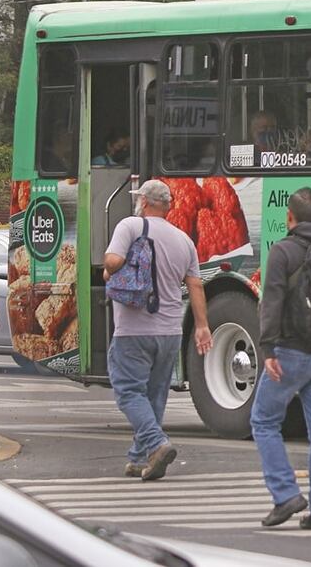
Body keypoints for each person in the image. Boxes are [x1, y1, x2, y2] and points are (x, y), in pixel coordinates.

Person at [103, 180, 212, 480]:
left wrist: (109, 268)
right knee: (155, 395)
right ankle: (139, 458)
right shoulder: (184, 240)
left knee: (127, 391)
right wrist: (202, 326)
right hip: (170, 332)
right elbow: (196, 285)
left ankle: (156, 443)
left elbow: (113, 261)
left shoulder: (129, 226)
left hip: (134, 330)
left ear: (144, 202)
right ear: (167, 206)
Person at [251, 187, 311, 530]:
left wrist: (268, 350)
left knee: (263, 420)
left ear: (289, 217)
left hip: (291, 352)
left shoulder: (283, 251)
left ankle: (285, 493)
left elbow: (271, 303)